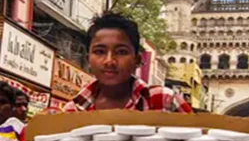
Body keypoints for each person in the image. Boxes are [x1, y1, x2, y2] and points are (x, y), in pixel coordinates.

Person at [64, 12, 192, 112]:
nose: (110, 61)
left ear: (137, 60)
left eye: (121, 52)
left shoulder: (164, 100)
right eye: (100, 52)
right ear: (88, 60)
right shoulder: (73, 110)